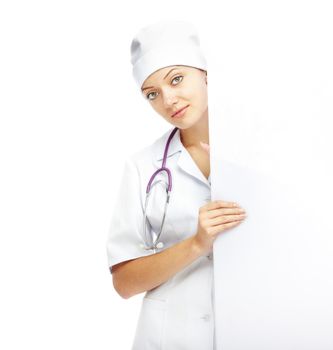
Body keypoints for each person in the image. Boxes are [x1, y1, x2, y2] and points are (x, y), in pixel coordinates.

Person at [106, 20, 247, 350]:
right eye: (152, 94)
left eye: (177, 79)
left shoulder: (258, 153)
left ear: (205, 73)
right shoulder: (143, 166)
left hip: (254, 323)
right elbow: (124, 283)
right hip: (170, 337)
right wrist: (197, 243)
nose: (168, 100)